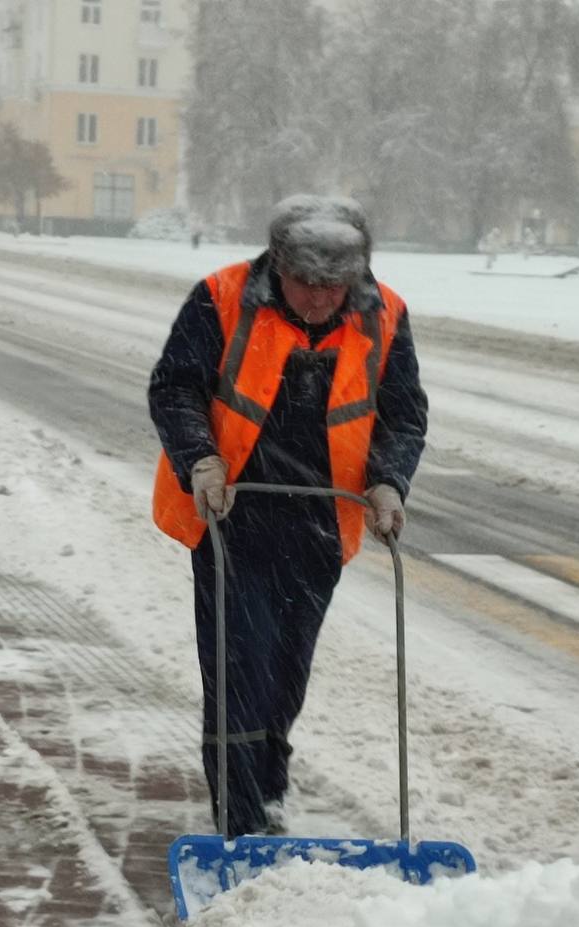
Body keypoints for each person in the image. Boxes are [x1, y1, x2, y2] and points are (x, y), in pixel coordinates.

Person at [148, 194, 428, 838]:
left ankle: (268, 791)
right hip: (232, 517)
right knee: (239, 668)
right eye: (305, 283)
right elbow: (175, 387)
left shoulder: (384, 314)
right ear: (278, 266)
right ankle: (240, 819)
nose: (319, 299)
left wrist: (388, 483)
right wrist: (201, 461)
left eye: (335, 287)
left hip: (321, 525)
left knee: (285, 675)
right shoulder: (219, 298)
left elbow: (403, 411)